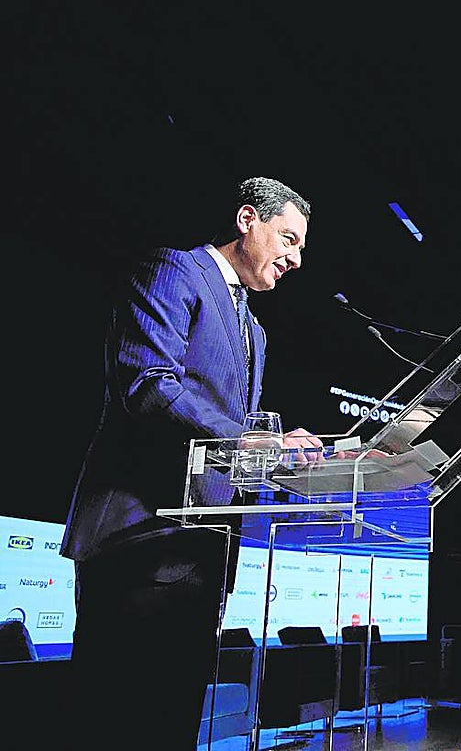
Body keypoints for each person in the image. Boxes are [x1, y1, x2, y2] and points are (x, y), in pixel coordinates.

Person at [60, 176, 325, 750]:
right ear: (247, 219)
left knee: (171, 722)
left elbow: (231, 437)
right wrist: (246, 437)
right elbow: (148, 385)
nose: (295, 258)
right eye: (288, 239)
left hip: (203, 548)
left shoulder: (253, 326)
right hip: (142, 537)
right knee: (112, 719)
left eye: (301, 247)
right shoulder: (176, 270)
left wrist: (289, 456)